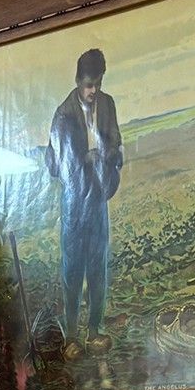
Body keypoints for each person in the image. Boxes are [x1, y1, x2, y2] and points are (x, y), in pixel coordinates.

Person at [46, 47, 123, 359]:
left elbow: (115, 141)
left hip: (98, 197)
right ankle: (71, 337)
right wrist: (85, 161)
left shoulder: (107, 104)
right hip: (74, 203)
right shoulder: (63, 115)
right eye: (89, 85)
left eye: (98, 84)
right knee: (73, 269)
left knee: (98, 266)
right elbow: (56, 165)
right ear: (79, 81)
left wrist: (106, 156)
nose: (94, 91)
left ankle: (94, 331)